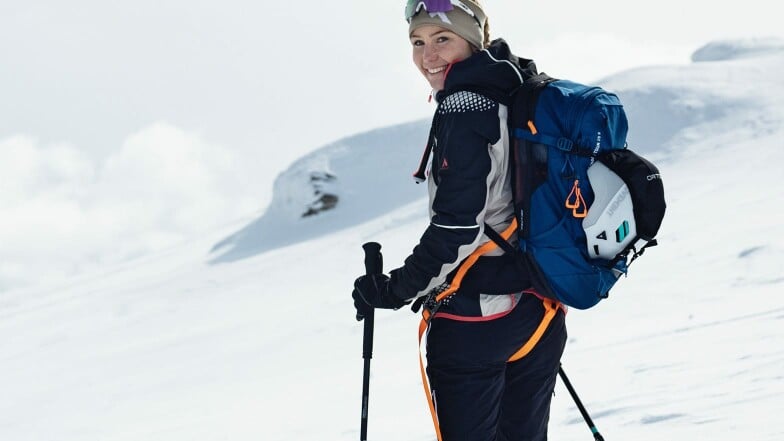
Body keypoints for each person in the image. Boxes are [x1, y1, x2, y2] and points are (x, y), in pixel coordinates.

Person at [352, 1, 567, 440]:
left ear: (472, 42)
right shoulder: (517, 88)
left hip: (477, 323)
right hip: (539, 309)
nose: (427, 55)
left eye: (442, 39)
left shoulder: (465, 107)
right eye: (418, 42)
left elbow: (457, 228)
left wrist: (395, 289)